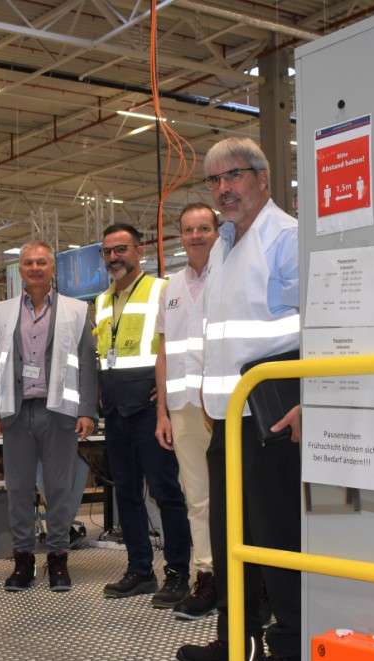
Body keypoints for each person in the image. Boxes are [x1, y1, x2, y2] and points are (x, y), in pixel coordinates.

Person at [175, 137, 302, 661]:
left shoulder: (286, 238)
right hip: (227, 418)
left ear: (263, 177)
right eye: (215, 180)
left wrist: (309, 398)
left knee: (276, 537)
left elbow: (318, 320)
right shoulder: (224, 246)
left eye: (235, 175)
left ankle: (291, 653)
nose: (224, 188)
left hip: (272, 417)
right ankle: (236, 641)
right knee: (230, 538)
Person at [0, 241, 97, 592]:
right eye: (29, 263)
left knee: (59, 488)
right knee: (18, 489)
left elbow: (87, 364)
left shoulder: (76, 310)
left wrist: (87, 410)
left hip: (58, 412)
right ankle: (23, 559)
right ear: (20, 269)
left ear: (52, 268)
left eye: (41, 262)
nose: (35, 268)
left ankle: (58, 557)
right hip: (16, 413)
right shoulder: (2, 312)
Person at [93, 223, 192, 607]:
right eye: (107, 251)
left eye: (121, 249)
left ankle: (178, 573)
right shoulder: (102, 301)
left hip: (151, 408)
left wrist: (164, 390)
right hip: (116, 409)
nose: (114, 257)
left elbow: (178, 342)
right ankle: (140, 570)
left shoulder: (161, 290)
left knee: (166, 492)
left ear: (139, 251)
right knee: (127, 493)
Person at [154, 204, 219, 620]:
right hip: (183, 409)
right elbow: (163, 352)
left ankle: (252, 581)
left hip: (225, 405)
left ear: (217, 232)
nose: (196, 236)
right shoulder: (171, 288)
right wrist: (161, 412)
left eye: (204, 228)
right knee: (197, 498)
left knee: (238, 495)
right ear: (180, 236)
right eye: (189, 229)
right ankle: (207, 576)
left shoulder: (227, 275)